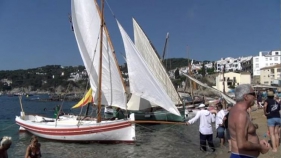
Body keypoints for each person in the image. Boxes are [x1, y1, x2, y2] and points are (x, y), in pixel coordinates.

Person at [229, 84, 270, 158]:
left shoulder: (237, 110)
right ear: (246, 97)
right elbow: (242, 144)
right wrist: (260, 147)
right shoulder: (240, 114)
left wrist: (258, 142)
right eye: (253, 94)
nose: (255, 97)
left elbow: (243, 137)